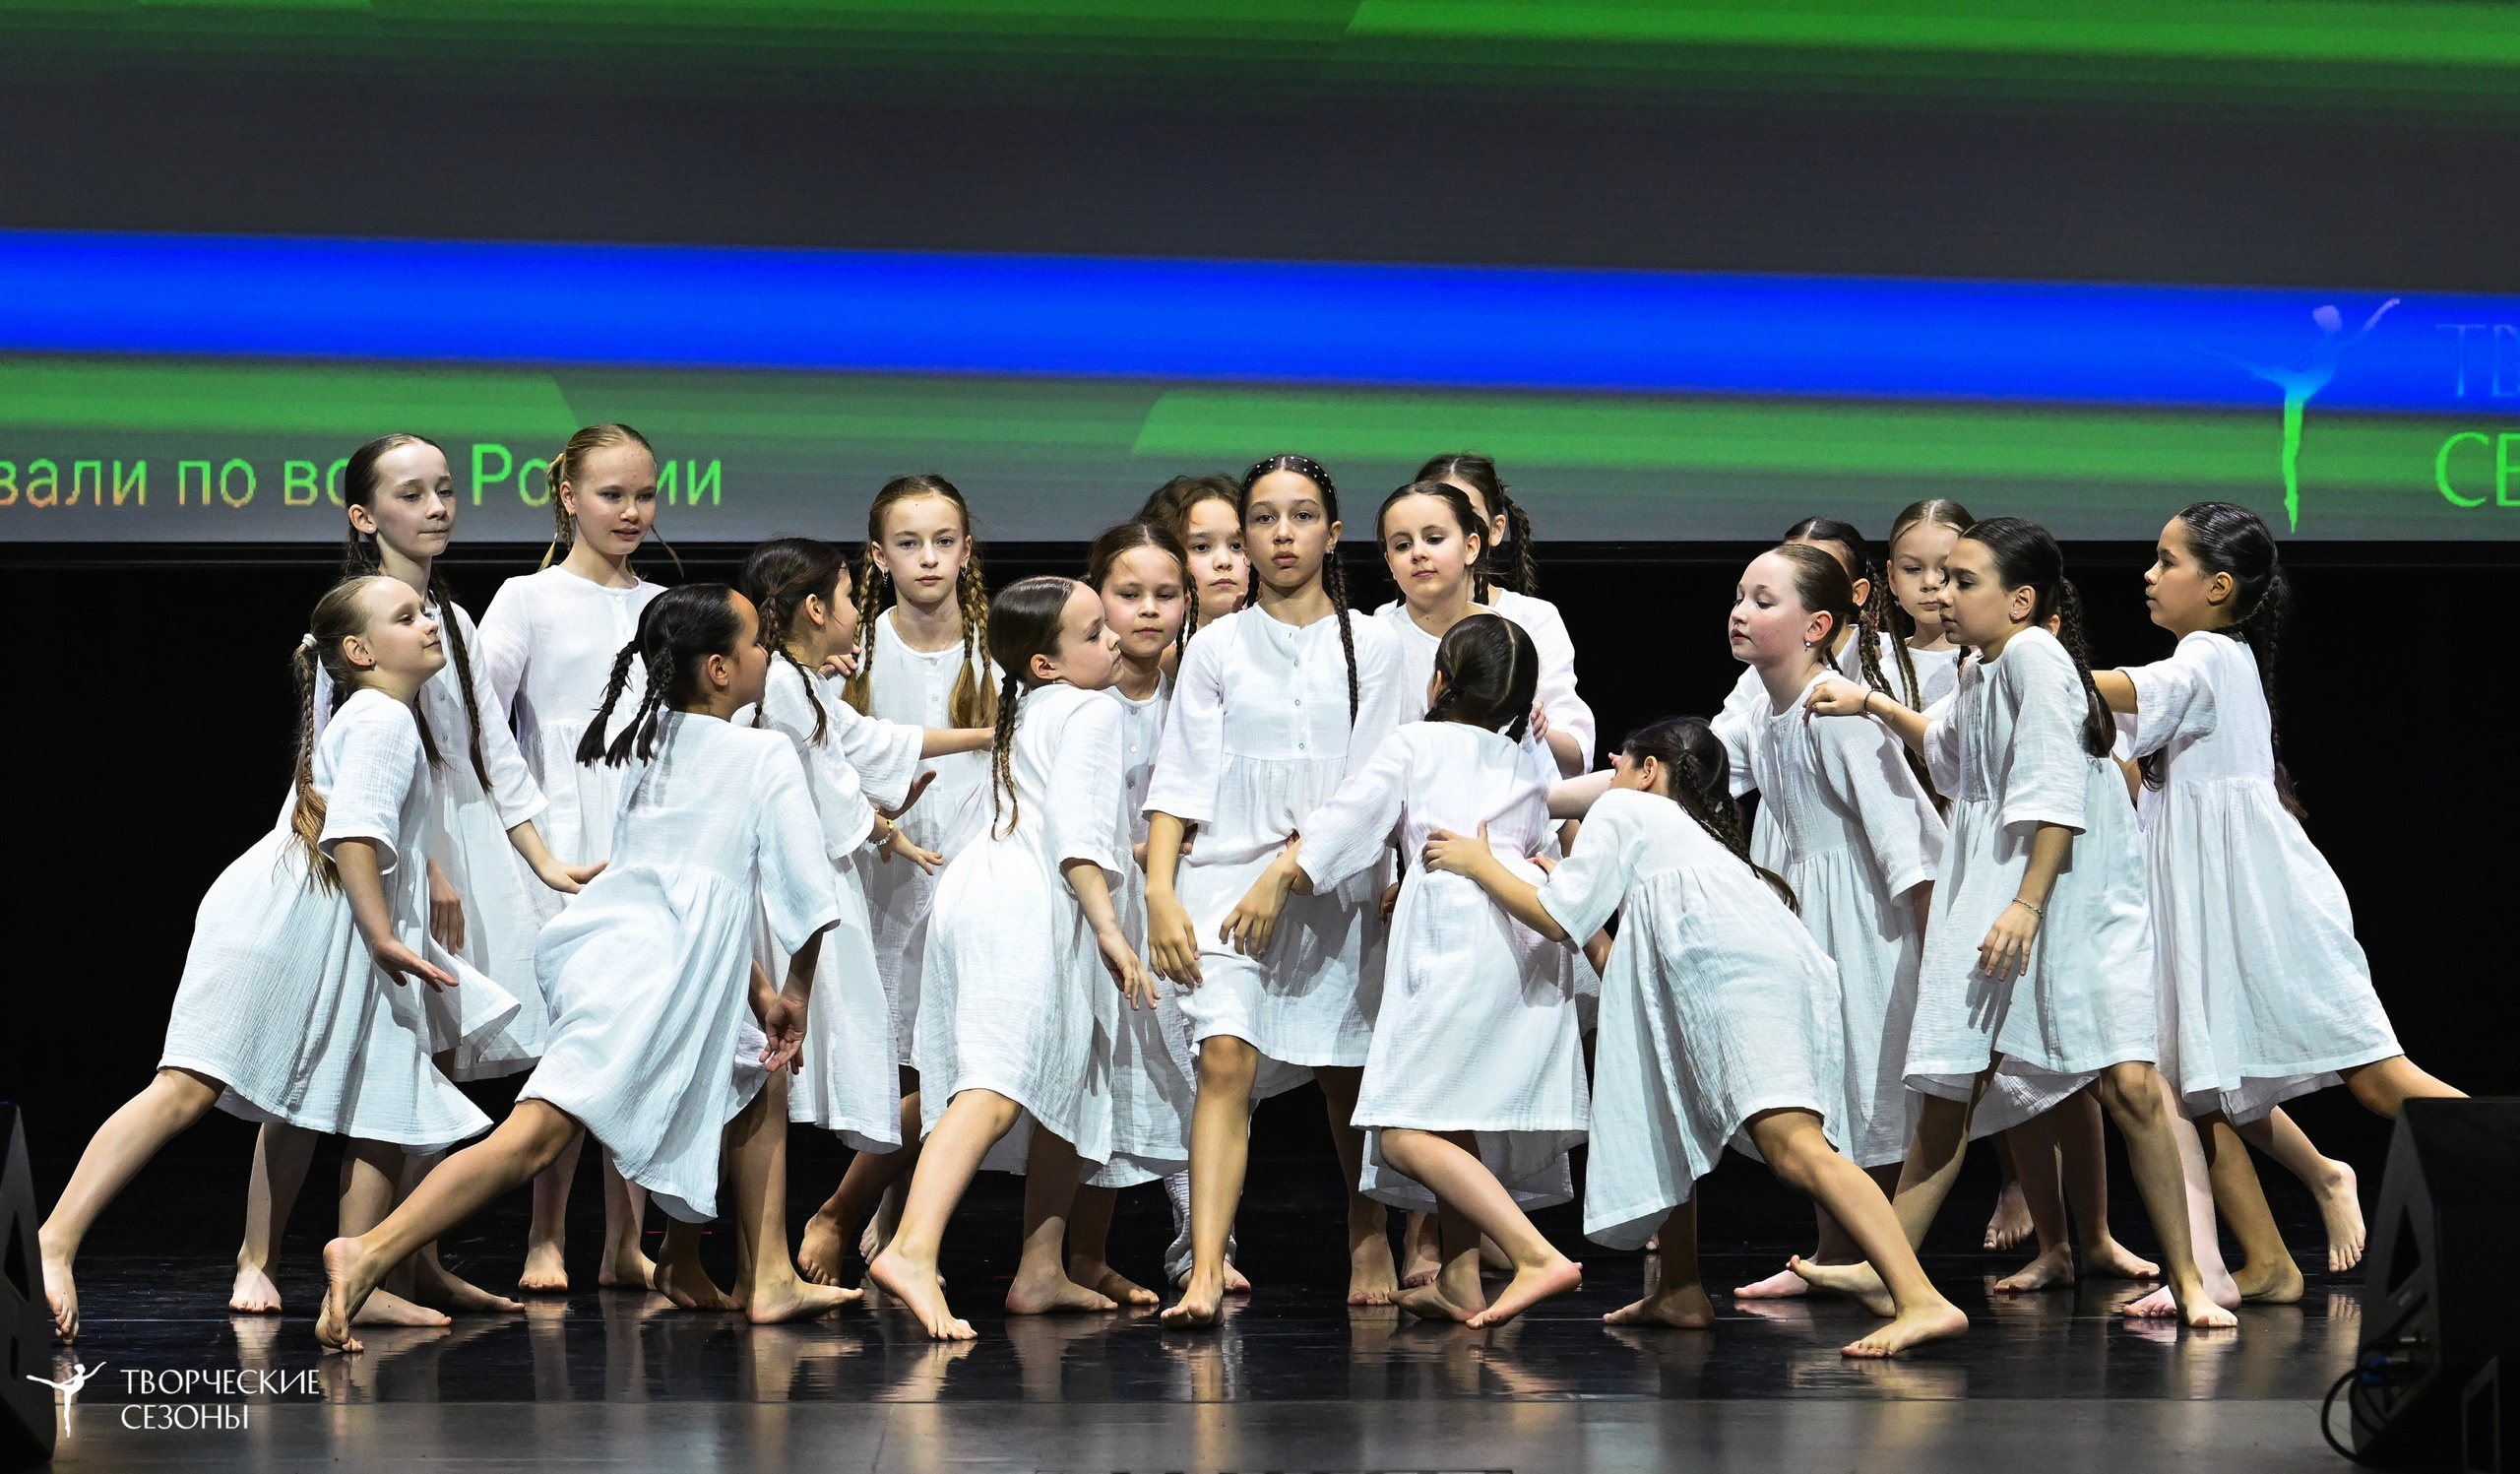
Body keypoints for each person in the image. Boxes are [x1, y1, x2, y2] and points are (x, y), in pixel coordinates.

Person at [317, 583, 849, 1351]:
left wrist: (757, 992)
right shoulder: (762, 752)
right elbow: (807, 891)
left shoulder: (653, 738)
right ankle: (369, 1249)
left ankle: (740, 1268)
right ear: (720, 669)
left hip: (624, 954)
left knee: (748, 1072)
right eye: (757, 643)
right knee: (535, 1134)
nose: (768, 653)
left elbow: (697, 896)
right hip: (650, 975)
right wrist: (793, 989)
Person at [43, 576, 518, 1342]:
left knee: (381, 1090)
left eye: (425, 610)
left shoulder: (381, 715)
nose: (429, 622)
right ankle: (54, 1239)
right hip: (290, 928)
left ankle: (360, 1281)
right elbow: (353, 834)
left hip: (328, 928)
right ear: (359, 650)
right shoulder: (382, 720)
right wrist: (384, 934)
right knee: (186, 1088)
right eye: (406, 617)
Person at [1799, 518, 2236, 1328]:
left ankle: (2191, 1282)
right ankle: (1889, 1268)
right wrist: (1872, 702)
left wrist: (2027, 904)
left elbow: (2056, 795)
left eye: (1964, 580)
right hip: (2005, 887)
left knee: (2129, 1083)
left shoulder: (2036, 655)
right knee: (1951, 1082)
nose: (1942, 592)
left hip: (2068, 897)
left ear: (2021, 599)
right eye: (1940, 578)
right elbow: (1953, 753)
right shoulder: (1983, 663)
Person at [1426, 717, 1969, 1358]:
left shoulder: (1623, 808)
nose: (1612, 769)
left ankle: (1921, 1298)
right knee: (1667, 1113)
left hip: (1743, 980)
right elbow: (1622, 961)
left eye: (1623, 760)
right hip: (1764, 970)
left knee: (1796, 1149)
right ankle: (1678, 1288)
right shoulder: (1695, 836)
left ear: (1649, 771)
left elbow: (1552, 919)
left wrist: (1482, 864)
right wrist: (1574, 909)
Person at [231, 433, 598, 1321]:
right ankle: (257, 1255)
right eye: (411, 494)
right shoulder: (353, 624)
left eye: (444, 489)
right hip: (379, 860)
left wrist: (543, 861)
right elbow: (340, 770)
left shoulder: (453, 623)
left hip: (455, 847)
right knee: (314, 1059)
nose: (437, 507)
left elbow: (493, 753)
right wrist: (427, 865)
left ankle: (407, 1259)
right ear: (365, 516)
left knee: (424, 1066)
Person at [2097, 501, 2461, 1295]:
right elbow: (2132, 767)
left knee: (2379, 1080)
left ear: (2218, 585)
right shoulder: (2208, 662)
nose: (2149, 575)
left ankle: (2497, 1158)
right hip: (2213, 910)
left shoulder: (2207, 656)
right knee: (2197, 1086)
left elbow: (2129, 690)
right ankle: (2266, 1260)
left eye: (2167, 560)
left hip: (2266, 910)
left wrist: (2029, 666)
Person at [1145, 454, 1411, 1325]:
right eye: (1263, 518)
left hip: (1331, 881)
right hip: (1224, 878)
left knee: (1345, 1072)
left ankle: (1367, 1229)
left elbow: (1374, 784)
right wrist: (1160, 890)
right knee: (1224, 1055)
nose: (1281, 534)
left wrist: (1291, 870)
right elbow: (1180, 778)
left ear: (1333, 534)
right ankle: (1204, 1265)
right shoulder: (1216, 645)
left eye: (1300, 516)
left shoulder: (1375, 644)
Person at [863, 576, 1154, 1339]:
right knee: (994, 1084)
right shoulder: (1091, 709)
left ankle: (1041, 1267)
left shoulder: (1031, 707)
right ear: (1045, 663)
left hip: (990, 892)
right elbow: (1076, 833)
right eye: (1093, 633)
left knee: (1069, 1076)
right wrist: (1110, 928)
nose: (1114, 639)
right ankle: (911, 1247)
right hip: (1027, 905)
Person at [1292, 613, 1589, 1326]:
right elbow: (1538, 841)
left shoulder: (1414, 741)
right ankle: (1460, 1276)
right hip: (1518, 928)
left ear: (1438, 682)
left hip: (1455, 935)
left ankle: (1532, 1252)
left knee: (1404, 1127)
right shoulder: (1524, 756)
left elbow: (1349, 821)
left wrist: (1286, 876)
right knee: (1457, 1109)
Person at [476, 421, 670, 1291]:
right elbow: (480, 722)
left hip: (648, 833)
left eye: (644, 494)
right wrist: (527, 835)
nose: (631, 511)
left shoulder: (662, 604)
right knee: (573, 1042)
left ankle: (625, 1240)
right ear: (568, 496)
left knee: (642, 1038)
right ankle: (545, 1235)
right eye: (611, 494)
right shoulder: (527, 597)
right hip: (559, 835)